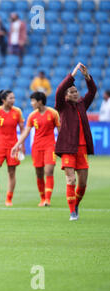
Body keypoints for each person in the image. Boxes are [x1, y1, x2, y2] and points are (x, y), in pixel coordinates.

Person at [55, 63, 97, 221]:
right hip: (67, 147)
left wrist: (87, 77)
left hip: (82, 148)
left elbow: (92, 91)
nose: (75, 94)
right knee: (70, 179)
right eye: (72, 92)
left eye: (76, 91)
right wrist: (72, 75)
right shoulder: (62, 106)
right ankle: (72, 212)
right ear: (66, 96)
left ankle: (76, 204)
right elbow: (59, 90)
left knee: (83, 183)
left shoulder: (82, 105)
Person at [11, 92, 60, 206]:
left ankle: (48, 199)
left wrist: (62, 146)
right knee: (39, 173)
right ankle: (42, 198)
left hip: (50, 146)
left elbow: (60, 130)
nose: (31, 103)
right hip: (37, 147)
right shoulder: (32, 116)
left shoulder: (53, 113)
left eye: (33, 101)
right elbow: (26, 132)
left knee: (49, 171)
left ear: (40, 101)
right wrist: (17, 145)